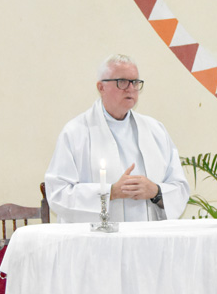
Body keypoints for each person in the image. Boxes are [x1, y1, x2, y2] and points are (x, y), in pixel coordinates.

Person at [45, 55, 190, 223]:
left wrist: (155, 192)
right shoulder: (75, 133)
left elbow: (180, 188)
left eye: (135, 82)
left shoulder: (155, 130)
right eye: (122, 81)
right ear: (101, 87)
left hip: (148, 241)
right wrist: (110, 192)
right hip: (98, 243)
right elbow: (58, 194)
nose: (130, 89)